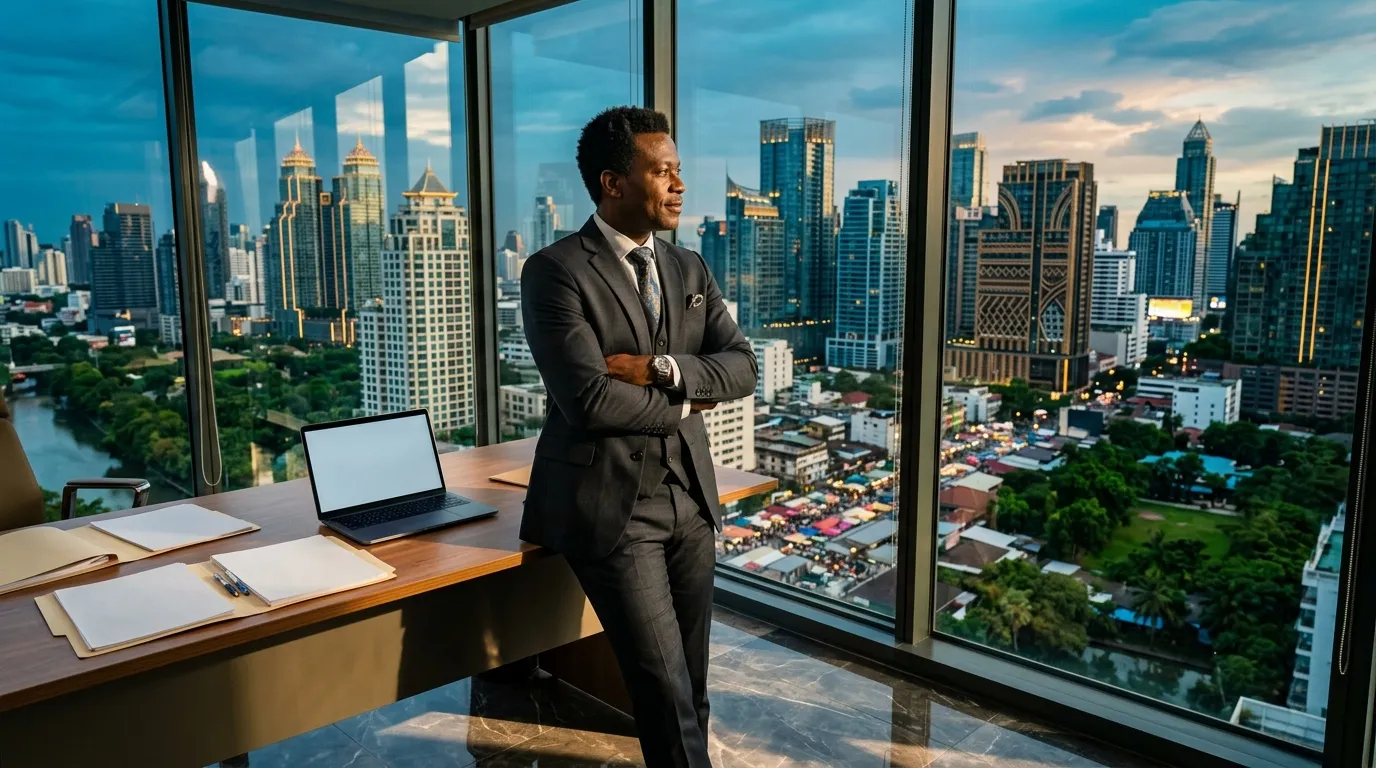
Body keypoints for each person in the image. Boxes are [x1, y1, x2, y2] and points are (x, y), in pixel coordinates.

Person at [519, 106, 757, 768]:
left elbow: (743, 367)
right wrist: (688, 404)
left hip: (692, 502)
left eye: (679, 170)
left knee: (693, 683)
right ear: (612, 183)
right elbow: (590, 401)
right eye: (662, 171)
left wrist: (660, 370)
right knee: (663, 687)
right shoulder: (555, 270)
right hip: (613, 509)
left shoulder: (689, 268)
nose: (679, 185)